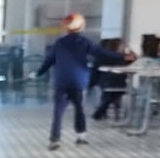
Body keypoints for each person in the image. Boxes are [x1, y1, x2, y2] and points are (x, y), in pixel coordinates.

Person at [37, 14, 134, 150]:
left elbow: (48, 61)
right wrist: (124, 56)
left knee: (58, 111)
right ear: (82, 26)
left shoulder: (59, 43)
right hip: (78, 81)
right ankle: (81, 136)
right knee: (79, 108)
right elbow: (103, 53)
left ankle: (55, 139)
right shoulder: (85, 42)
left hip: (61, 81)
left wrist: (38, 73)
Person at [90, 38, 130, 121]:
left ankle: (101, 112)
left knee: (110, 95)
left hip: (107, 81)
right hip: (113, 81)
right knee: (112, 94)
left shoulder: (115, 56)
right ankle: (102, 111)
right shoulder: (117, 56)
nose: (123, 47)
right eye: (121, 45)